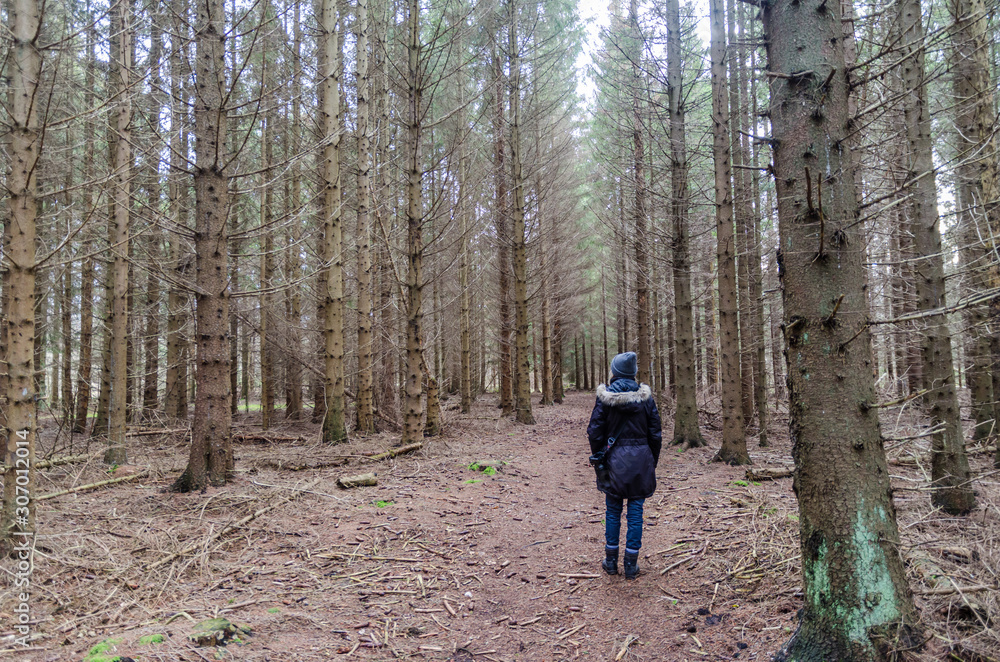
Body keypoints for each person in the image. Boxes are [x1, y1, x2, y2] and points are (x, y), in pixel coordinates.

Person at [587, 351, 662, 579]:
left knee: (612, 511)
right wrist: (651, 460)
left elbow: (594, 431)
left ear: (615, 372)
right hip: (641, 461)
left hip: (613, 461)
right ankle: (631, 564)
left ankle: (610, 562)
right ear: (632, 373)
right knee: (636, 512)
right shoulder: (646, 399)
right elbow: (655, 434)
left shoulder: (605, 398)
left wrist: (599, 457)